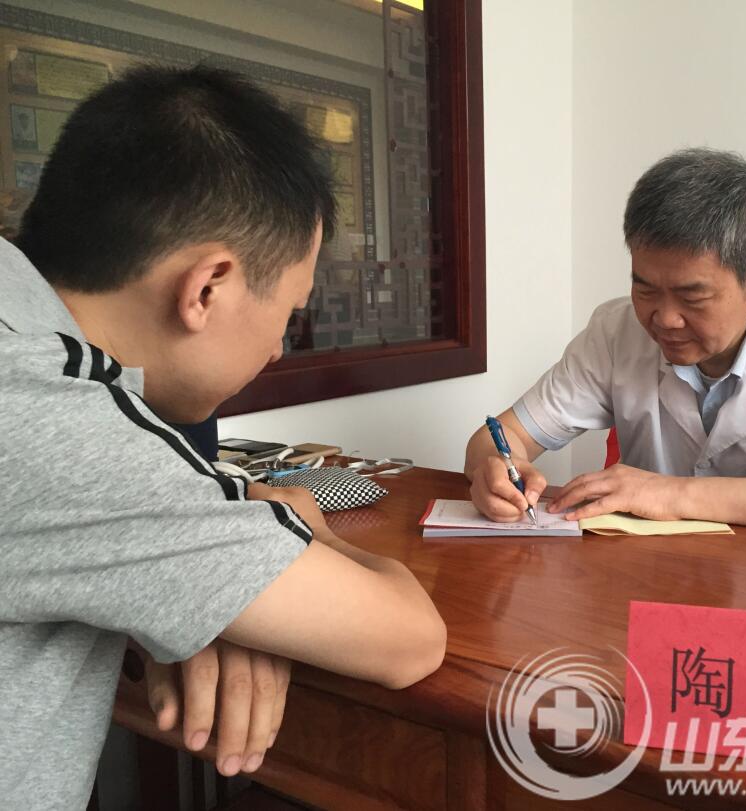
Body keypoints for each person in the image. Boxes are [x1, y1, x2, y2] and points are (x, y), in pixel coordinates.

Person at [0, 65, 446, 809]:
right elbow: (407, 637)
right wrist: (298, 529)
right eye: (289, 315)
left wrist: (202, 595)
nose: (277, 348)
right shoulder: (49, 406)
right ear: (207, 286)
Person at [465, 149, 746, 537]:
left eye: (693, 296)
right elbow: (497, 438)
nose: (664, 319)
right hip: (655, 580)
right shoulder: (615, 332)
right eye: (645, 288)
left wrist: (673, 495)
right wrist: (495, 469)